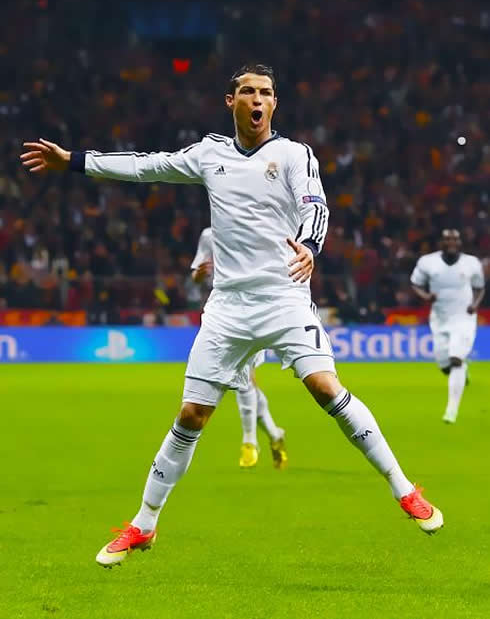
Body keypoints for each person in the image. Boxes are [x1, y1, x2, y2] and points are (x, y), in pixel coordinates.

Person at [21, 64, 443, 569]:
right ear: (231, 101)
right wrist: (73, 161)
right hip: (227, 308)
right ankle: (144, 525)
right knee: (191, 415)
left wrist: (309, 245)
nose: (257, 99)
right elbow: (146, 166)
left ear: (275, 103)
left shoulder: (292, 154)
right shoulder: (209, 154)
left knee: (325, 386)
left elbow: (316, 205)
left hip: (284, 297)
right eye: (248, 91)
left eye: (266, 92)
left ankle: (403, 489)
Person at [191, 226, 287, 469]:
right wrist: (200, 275)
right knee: (243, 382)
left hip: (255, 312)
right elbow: (196, 275)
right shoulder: (209, 236)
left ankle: (249, 442)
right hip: (222, 314)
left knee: (246, 379)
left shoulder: (256, 228)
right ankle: (275, 434)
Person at [411, 229, 485, 424]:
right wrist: (426, 296)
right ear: (441, 243)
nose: (451, 242)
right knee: (445, 366)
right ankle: (462, 372)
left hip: (464, 318)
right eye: (447, 239)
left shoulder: (471, 263)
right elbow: (415, 284)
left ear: (460, 242)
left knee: (455, 360)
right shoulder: (427, 262)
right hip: (439, 319)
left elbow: (479, 287)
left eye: (454, 239)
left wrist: (475, 305)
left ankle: (451, 411)